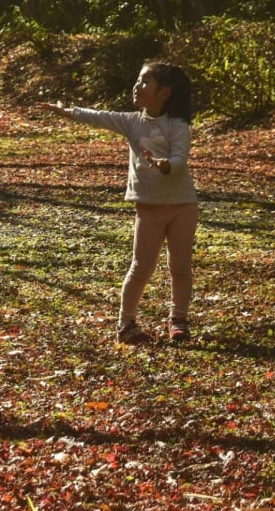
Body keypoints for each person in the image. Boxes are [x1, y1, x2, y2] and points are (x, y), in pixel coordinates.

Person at [37, 62, 198, 344]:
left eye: (146, 81)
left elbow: (180, 159)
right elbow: (99, 116)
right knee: (141, 267)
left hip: (182, 205)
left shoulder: (178, 125)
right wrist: (68, 111)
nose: (137, 86)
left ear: (165, 92)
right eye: (138, 79)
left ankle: (179, 320)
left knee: (181, 266)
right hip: (148, 207)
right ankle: (126, 324)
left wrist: (165, 165)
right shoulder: (132, 122)